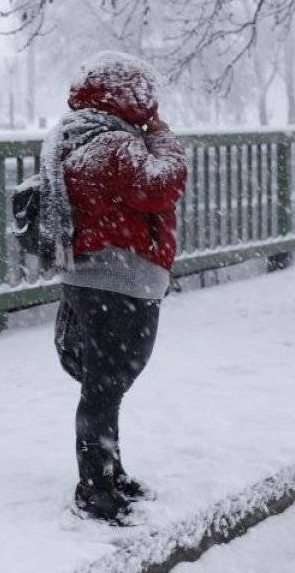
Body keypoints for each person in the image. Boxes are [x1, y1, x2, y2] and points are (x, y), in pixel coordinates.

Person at [39, 51, 187, 522]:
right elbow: (162, 185)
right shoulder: (115, 146)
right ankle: (95, 490)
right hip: (119, 278)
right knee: (108, 385)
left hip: (87, 274)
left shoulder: (72, 138)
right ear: (128, 95)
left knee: (106, 383)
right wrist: (164, 140)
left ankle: (109, 472)